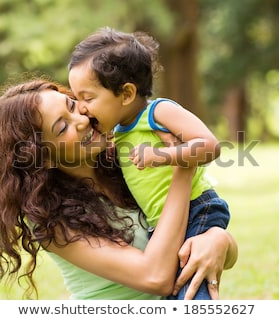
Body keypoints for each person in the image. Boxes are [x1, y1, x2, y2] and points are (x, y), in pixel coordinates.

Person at [0, 78, 238, 300]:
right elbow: (155, 277)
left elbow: (197, 230)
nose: (81, 119)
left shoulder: (128, 162)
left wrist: (218, 240)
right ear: (41, 156)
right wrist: (183, 165)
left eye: (72, 105)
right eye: (62, 127)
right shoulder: (51, 219)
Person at [68, 27, 232, 300]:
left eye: (88, 98)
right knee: (176, 291)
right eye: (76, 99)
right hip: (164, 223)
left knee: (191, 294)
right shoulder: (118, 131)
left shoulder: (158, 112)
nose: (82, 108)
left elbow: (210, 145)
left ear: (126, 94)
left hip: (196, 208)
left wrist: (163, 156)